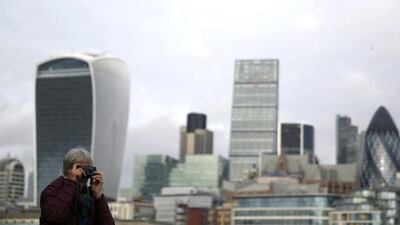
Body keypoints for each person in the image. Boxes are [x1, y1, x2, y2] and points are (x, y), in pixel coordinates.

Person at [40, 147, 115, 225]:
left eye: (87, 168)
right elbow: (53, 218)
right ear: (67, 169)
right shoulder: (52, 190)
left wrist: (98, 196)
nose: (82, 172)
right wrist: (71, 183)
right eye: (79, 168)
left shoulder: (90, 196)